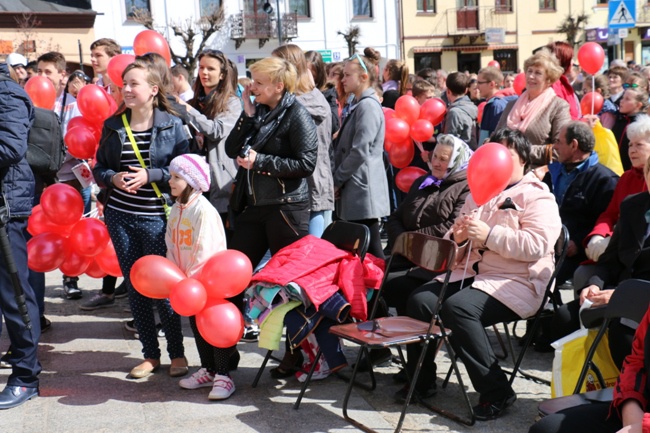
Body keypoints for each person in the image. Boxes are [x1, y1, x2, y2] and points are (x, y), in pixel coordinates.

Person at [396, 128, 562, 422]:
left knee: (457, 309)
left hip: (517, 279)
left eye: (507, 153)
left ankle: (497, 391)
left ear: (523, 160)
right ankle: (422, 379)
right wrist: (458, 238)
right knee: (420, 300)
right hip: (474, 273)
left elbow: (537, 245)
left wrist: (490, 234)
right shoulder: (480, 190)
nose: (497, 159)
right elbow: (452, 244)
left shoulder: (537, 197)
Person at [93, 58, 189, 379]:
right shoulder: (113, 125)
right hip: (120, 217)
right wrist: (112, 178)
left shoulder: (172, 124)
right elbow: (100, 168)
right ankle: (150, 355)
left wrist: (152, 174)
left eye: (134, 84)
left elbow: (185, 168)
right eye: (124, 84)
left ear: (153, 89)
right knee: (135, 286)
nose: (127, 89)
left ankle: (177, 353)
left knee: (163, 287)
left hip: (157, 218)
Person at [224, 56, 317, 376]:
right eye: (252, 80)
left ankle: (295, 353)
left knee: (289, 285)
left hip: (286, 209)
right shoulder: (260, 112)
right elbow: (231, 149)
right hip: (253, 207)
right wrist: (247, 115)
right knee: (230, 276)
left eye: (259, 83)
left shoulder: (297, 115)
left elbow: (306, 165)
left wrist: (261, 161)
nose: (252, 87)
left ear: (279, 86)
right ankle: (226, 348)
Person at [550, 155, 650, 368]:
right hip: (620, 288)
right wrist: (594, 284)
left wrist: (620, 296)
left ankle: (631, 393)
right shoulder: (633, 205)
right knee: (562, 319)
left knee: (622, 336)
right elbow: (610, 260)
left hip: (644, 298)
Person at [163, 154, 234, 399]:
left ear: (192, 181)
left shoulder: (203, 210)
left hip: (208, 283)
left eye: (177, 177)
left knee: (214, 326)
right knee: (197, 326)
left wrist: (191, 278)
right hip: (188, 284)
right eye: (171, 176)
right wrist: (175, 276)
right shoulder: (176, 208)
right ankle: (209, 369)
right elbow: (170, 243)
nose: (170, 181)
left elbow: (205, 247)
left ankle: (225, 375)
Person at [529, 303, 650, 433]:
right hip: (641, 407)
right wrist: (630, 404)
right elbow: (637, 359)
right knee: (545, 429)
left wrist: (643, 427)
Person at [0, 61, 41, 410]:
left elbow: (11, 148)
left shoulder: (7, 92)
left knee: (14, 295)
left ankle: (26, 377)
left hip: (6, 208)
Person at [576, 116, 650, 289]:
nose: (632, 150)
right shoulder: (626, 178)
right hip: (615, 251)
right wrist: (599, 235)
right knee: (582, 276)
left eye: (639, 145)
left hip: (638, 264)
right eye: (630, 144)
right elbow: (610, 214)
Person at [36, 51, 87, 300]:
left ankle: (71, 278)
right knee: (43, 229)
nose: (42, 77)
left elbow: (80, 139)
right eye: (39, 71)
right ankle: (38, 273)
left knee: (70, 230)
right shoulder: (33, 101)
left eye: (48, 72)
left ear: (62, 75)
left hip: (71, 178)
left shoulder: (75, 104)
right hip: (44, 177)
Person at [272, 44, 334, 238]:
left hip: (312, 178)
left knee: (312, 248)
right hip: (309, 178)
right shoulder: (308, 97)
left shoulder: (302, 103)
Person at [175, 50, 240, 233]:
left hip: (220, 183)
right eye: (201, 67)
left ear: (222, 75)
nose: (204, 73)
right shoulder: (196, 102)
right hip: (194, 182)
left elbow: (216, 130)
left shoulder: (231, 103)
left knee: (221, 239)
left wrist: (187, 110)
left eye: (210, 69)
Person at [333, 52, 389, 259]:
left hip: (362, 189)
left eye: (347, 75)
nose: (343, 79)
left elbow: (360, 150)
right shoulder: (359, 104)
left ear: (363, 77)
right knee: (362, 251)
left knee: (372, 251)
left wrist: (337, 180)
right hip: (357, 188)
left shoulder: (367, 106)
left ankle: (382, 288)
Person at [547, 121, 618, 286]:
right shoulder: (552, 171)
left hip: (575, 255)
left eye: (559, 141)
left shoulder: (605, 180)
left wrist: (578, 243)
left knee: (540, 280)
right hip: (545, 243)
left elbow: (606, 221)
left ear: (574, 145)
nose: (554, 147)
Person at [497, 49, 572, 167]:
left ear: (549, 80)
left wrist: (520, 151)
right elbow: (495, 136)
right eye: (529, 71)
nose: (531, 76)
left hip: (537, 177)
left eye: (538, 73)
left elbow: (562, 149)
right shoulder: (511, 105)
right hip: (504, 173)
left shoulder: (558, 107)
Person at [477, 66, 517, 144]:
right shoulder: (493, 103)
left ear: (492, 84)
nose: (477, 87)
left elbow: (496, 138)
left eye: (480, 83)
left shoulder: (496, 105)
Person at [611, 87, 649, 170]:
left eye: (627, 99)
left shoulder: (642, 126)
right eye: (622, 97)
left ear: (638, 105)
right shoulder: (619, 119)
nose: (621, 101)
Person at [443, 72, 478, 148]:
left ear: (448, 91)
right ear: (466, 90)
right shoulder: (474, 107)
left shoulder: (454, 113)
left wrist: (430, 155)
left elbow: (448, 143)